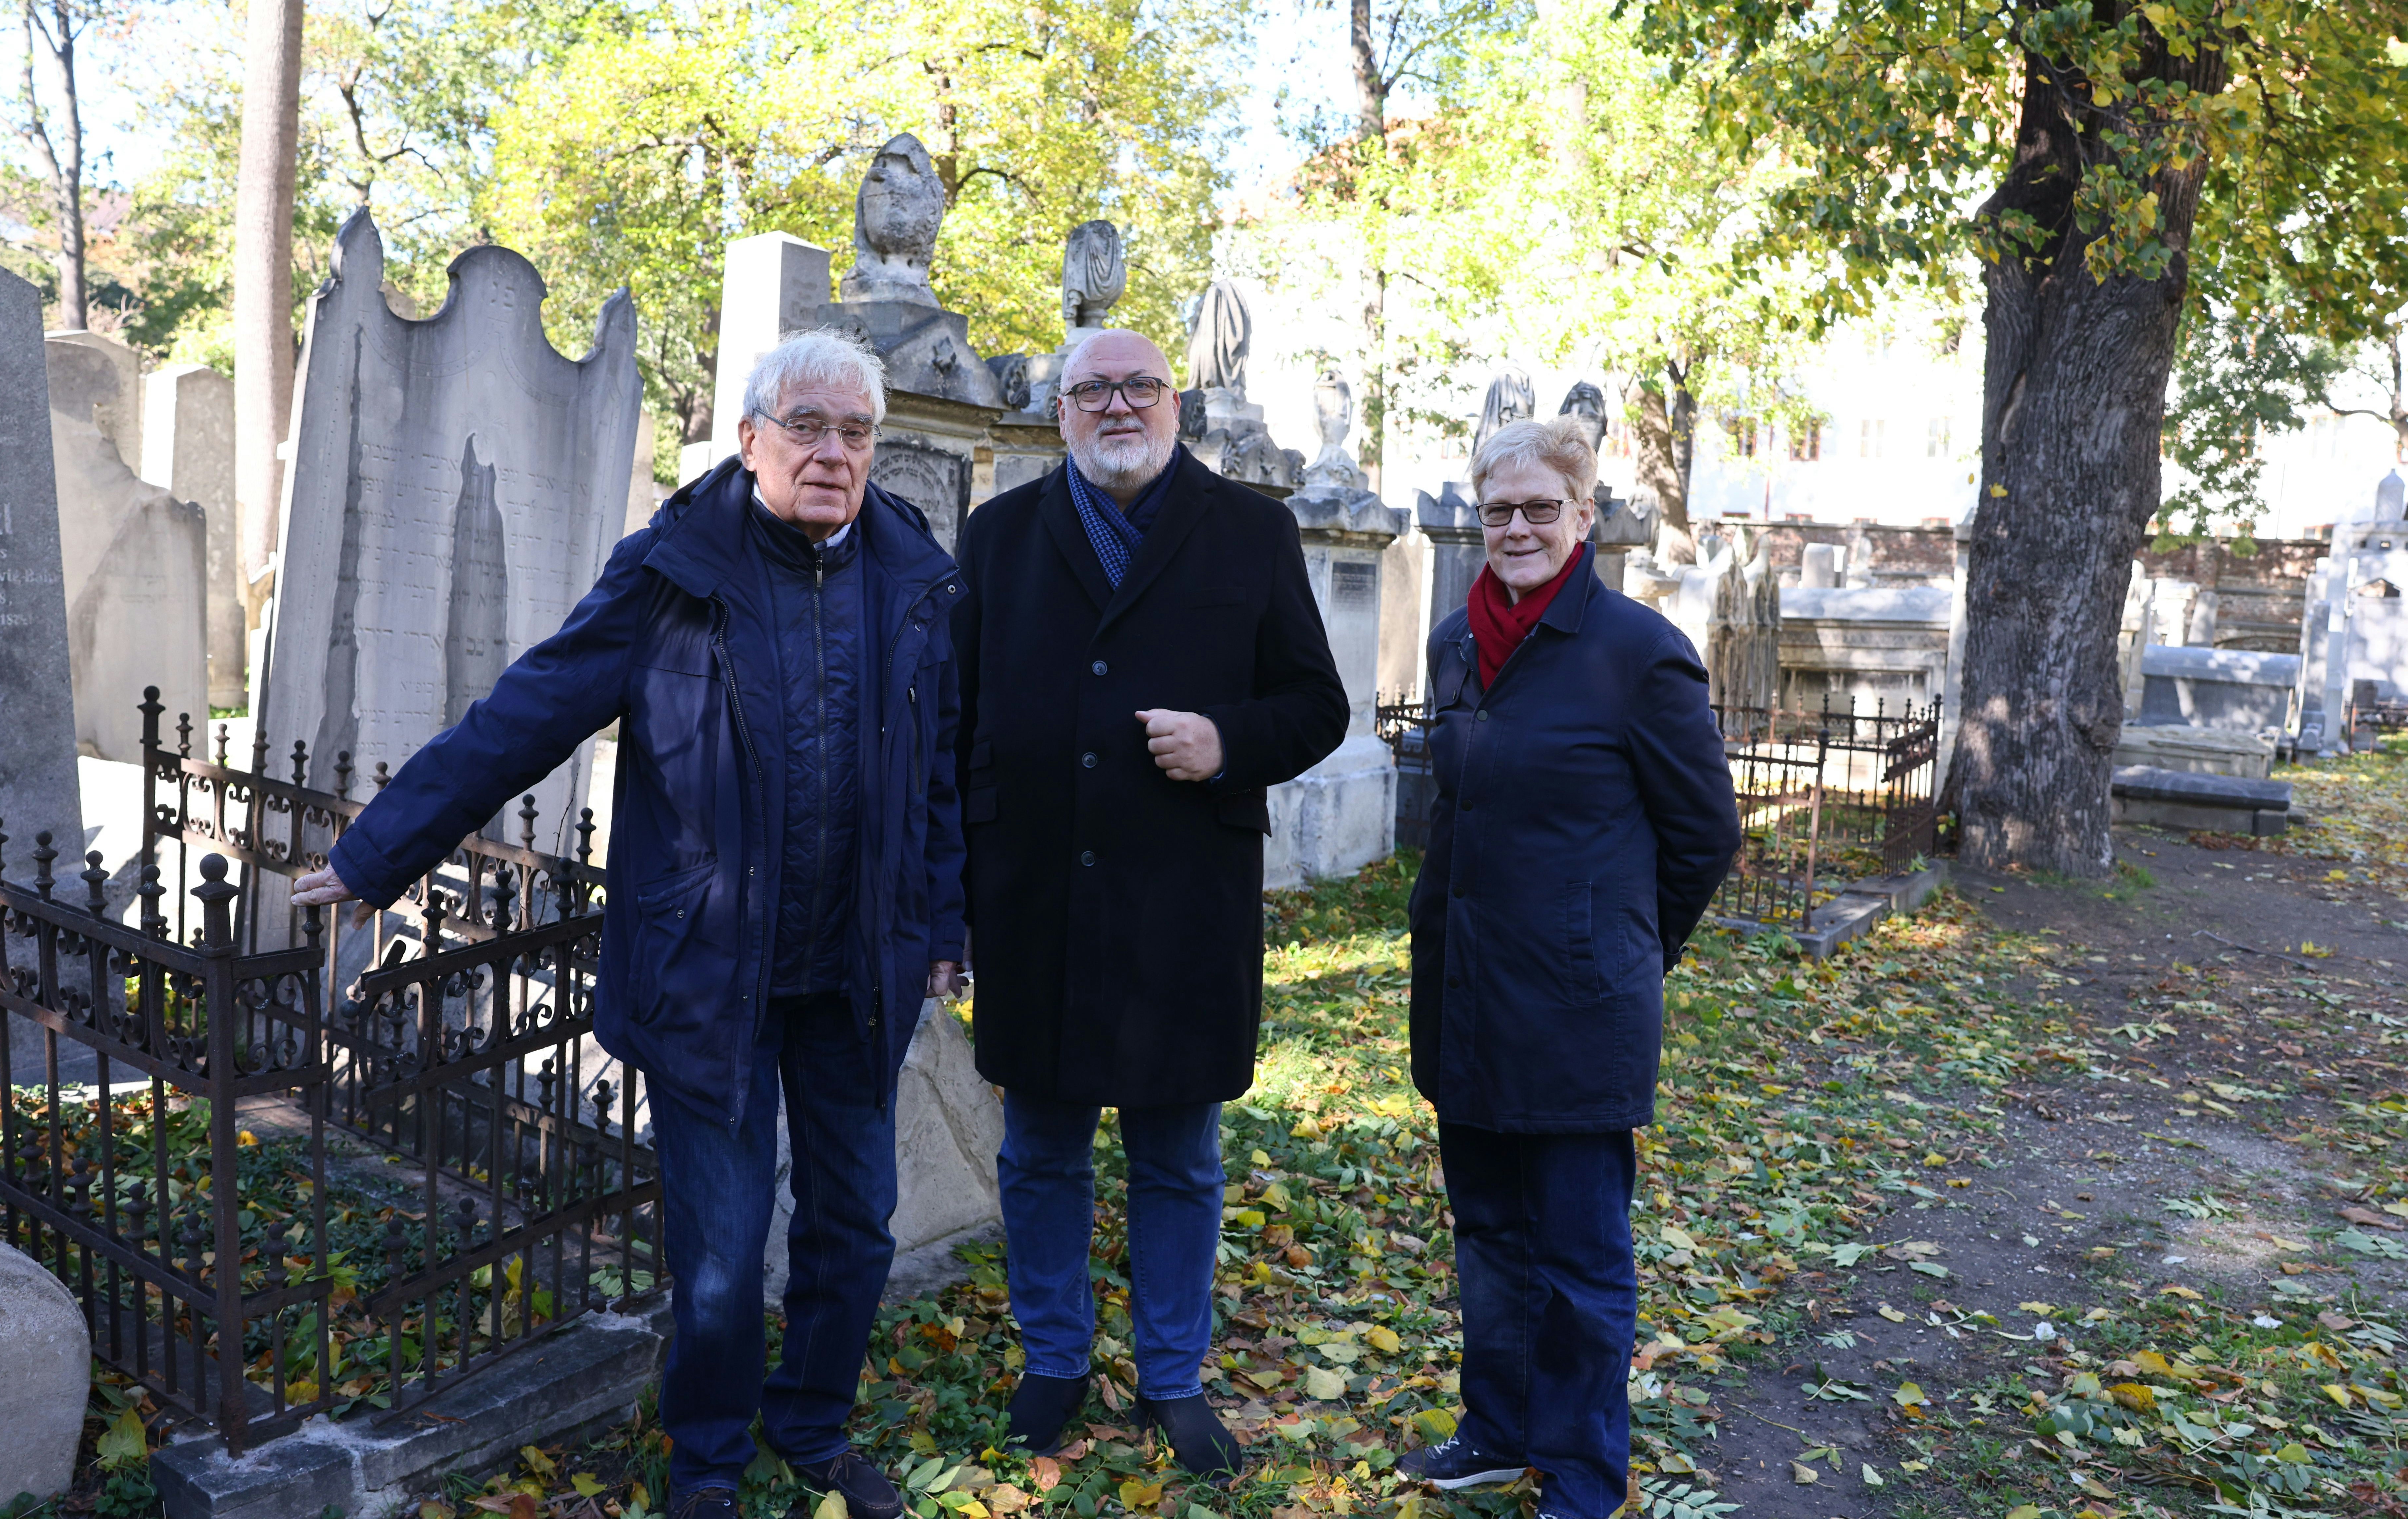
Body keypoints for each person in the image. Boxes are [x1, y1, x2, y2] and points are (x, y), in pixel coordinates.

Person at [288, 329, 965, 1519]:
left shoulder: (914, 581)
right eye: (807, 426)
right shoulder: (673, 575)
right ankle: (706, 1461)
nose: (833, 453)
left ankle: (811, 1427)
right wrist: (378, 851)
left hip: (859, 971)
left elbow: (944, 778)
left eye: (855, 433)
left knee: (855, 1229)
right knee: (720, 1249)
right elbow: (524, 716)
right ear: (750, 437)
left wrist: (947, 926)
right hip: (709, 971)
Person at [949, 328, 1350, 1475]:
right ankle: (1057, 1361)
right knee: (1041, 1150)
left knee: (1179, 1153)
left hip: (1185, 899)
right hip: (1035, 893)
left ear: (1173, 403)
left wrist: (1230, 739)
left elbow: (1317, 705)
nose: (1118, 406)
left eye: (1140, 386)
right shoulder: (1001, 536)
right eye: (1094, 391)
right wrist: (956, 893)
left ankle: (1172, 1378)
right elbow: (958, 720)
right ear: (1061, 411)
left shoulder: (1251, 531)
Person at [1395, 417, 1739, 1518]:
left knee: (1582, 1260)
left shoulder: (1636, 653)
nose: (1519, 529)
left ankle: (1585, 1475)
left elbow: (1704, 836)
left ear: (1585, 518)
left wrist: (1625, 946)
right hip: (1469, 994)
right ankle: (1498, 1431)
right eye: (1499, 510)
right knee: (1490, 1234)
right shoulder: (1456, 644)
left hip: (1581, 1006)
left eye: (1543, 508)